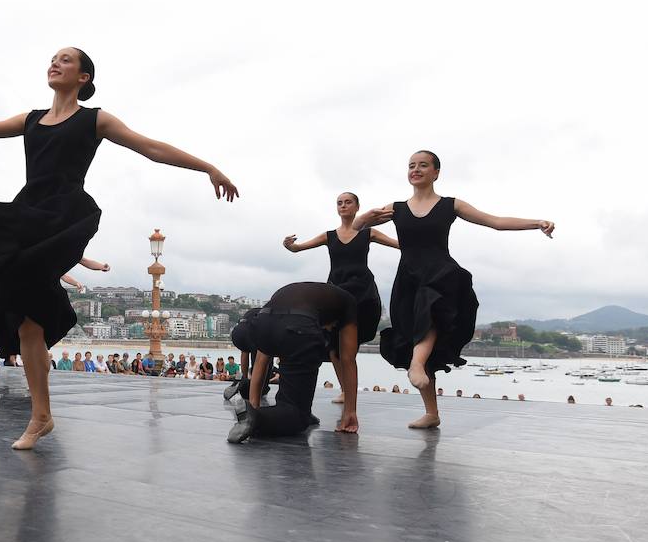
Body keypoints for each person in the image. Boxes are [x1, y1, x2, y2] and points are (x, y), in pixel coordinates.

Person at [0, 48, 237, 449]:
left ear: (84, 78)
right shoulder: (31, 119)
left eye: (66, 60)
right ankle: (41, 417)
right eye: (53, 58)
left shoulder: (95, 119)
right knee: (30, 322)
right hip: (30, 211)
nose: (55, 63)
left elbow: (150, 147)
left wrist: (207, 167)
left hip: (63, 215)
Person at [355, 150, 554, 429]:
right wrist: (366, 217)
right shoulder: (395, 209)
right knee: (419, 336)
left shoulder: (450, 205)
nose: (416, 169)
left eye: (423, 165)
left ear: (436, 172)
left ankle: (415, 365)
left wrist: (537, 223)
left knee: (430, 311)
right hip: (408, 280)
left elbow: (495, 222)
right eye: (411, 165)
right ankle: (431, 413)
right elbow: (355, 227)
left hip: (441, 274)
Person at [283, 192, 399, 403]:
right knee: (334, 347)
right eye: (340, 203)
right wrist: (289, 245)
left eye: (348, 202)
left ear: (357, 207)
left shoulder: (368, 233)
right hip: (336, 293)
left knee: (349, 348)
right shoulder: (329, 236)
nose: (343, 206)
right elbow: (298, 248)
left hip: (363, 294)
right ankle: (346, 391)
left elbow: (400, 244)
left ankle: (350, 392)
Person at [227, 282, 359, 443]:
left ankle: (267, 409)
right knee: (298, 417)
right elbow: (348, 360)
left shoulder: (306, 293)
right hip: (299, 325)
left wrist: (254, 403)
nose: (330, 330)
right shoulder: (349, 303)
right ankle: (257, 418)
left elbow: (261, 363)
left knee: (293, 399)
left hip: (263, 321)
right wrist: (350, 412)